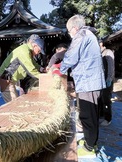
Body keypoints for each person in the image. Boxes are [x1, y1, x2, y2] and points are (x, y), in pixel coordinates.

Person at [56, 15, 106, 158]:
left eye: (68, 30)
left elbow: (71, 56)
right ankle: (91, 141)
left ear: (74, 28)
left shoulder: (81, 35)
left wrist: (61, 70)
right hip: (90, 81)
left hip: (88, 82)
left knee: (87, 115)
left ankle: (90, 147)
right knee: (91, 113)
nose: (69, 34)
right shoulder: (88, 35)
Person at [0, 34, 45, 102]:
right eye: (39, 51)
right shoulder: (24, 51)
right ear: (34, 45)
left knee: (15, 101)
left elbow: (33, 63)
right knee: (13, 103)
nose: (38, 53)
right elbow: (31, 70)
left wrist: (41, 69)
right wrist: (45, 78)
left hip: (10, 79)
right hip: (5, 78)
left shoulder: (28, 50)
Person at [99, 39, 115, 126]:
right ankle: (101, 115)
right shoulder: (98, 53)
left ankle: (108, 118)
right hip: (100, 80)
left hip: (107, 80)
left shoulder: (108, 52)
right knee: (100, 98)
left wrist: (109, 78)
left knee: (106, 99)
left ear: (101, 43)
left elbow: (111, 66)